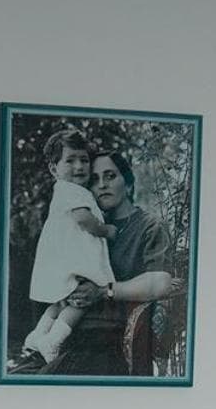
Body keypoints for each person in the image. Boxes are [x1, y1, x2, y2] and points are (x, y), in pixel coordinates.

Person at [35, 150, 177, 377]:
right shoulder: (87, 227)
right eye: (94, 179)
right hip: (66, 334)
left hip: (109, 341)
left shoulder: (149, 226)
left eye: (110, 176)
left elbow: (161, 282)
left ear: (128, 184)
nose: (102, 185)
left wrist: (103, 291)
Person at [11, 129, 116, 370]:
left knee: (61, 302)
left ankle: (38, 334)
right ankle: (53, 340)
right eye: (70, 160)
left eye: (84, 160)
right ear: (53, 168)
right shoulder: (72, 191)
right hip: (73, 259)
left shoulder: (66, 190)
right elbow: (84, 220)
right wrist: (106, 230)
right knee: (80, 301)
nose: (79, 166)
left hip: (64, 256)